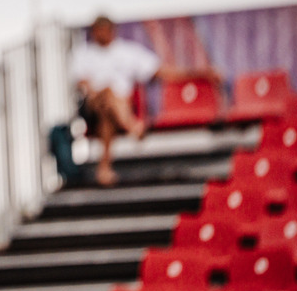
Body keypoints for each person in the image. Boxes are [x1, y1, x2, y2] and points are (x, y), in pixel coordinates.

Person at [69, 15, 220, 186]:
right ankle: (131, 125)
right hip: (93, 107)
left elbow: (163, 72)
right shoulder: (84, 54)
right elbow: (82, 83)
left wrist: (202, 73)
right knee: (106, 94)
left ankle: (104, 169)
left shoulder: (128, 52)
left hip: (116, 108)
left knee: (108, 113)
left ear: (112, 31)